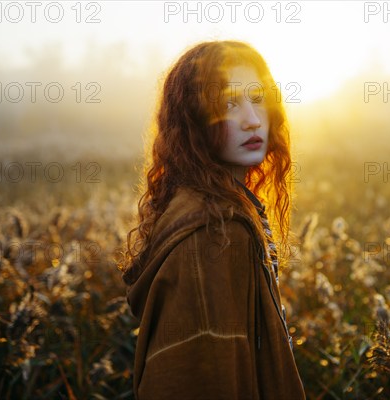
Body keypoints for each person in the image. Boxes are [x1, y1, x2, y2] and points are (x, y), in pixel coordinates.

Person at [120, 40, 306, 399]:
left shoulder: (207, 208)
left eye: (257, 99)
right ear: (194, 121)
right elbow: (203, 374)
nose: (252, 120)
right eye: (228, 104)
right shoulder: (216, 234)